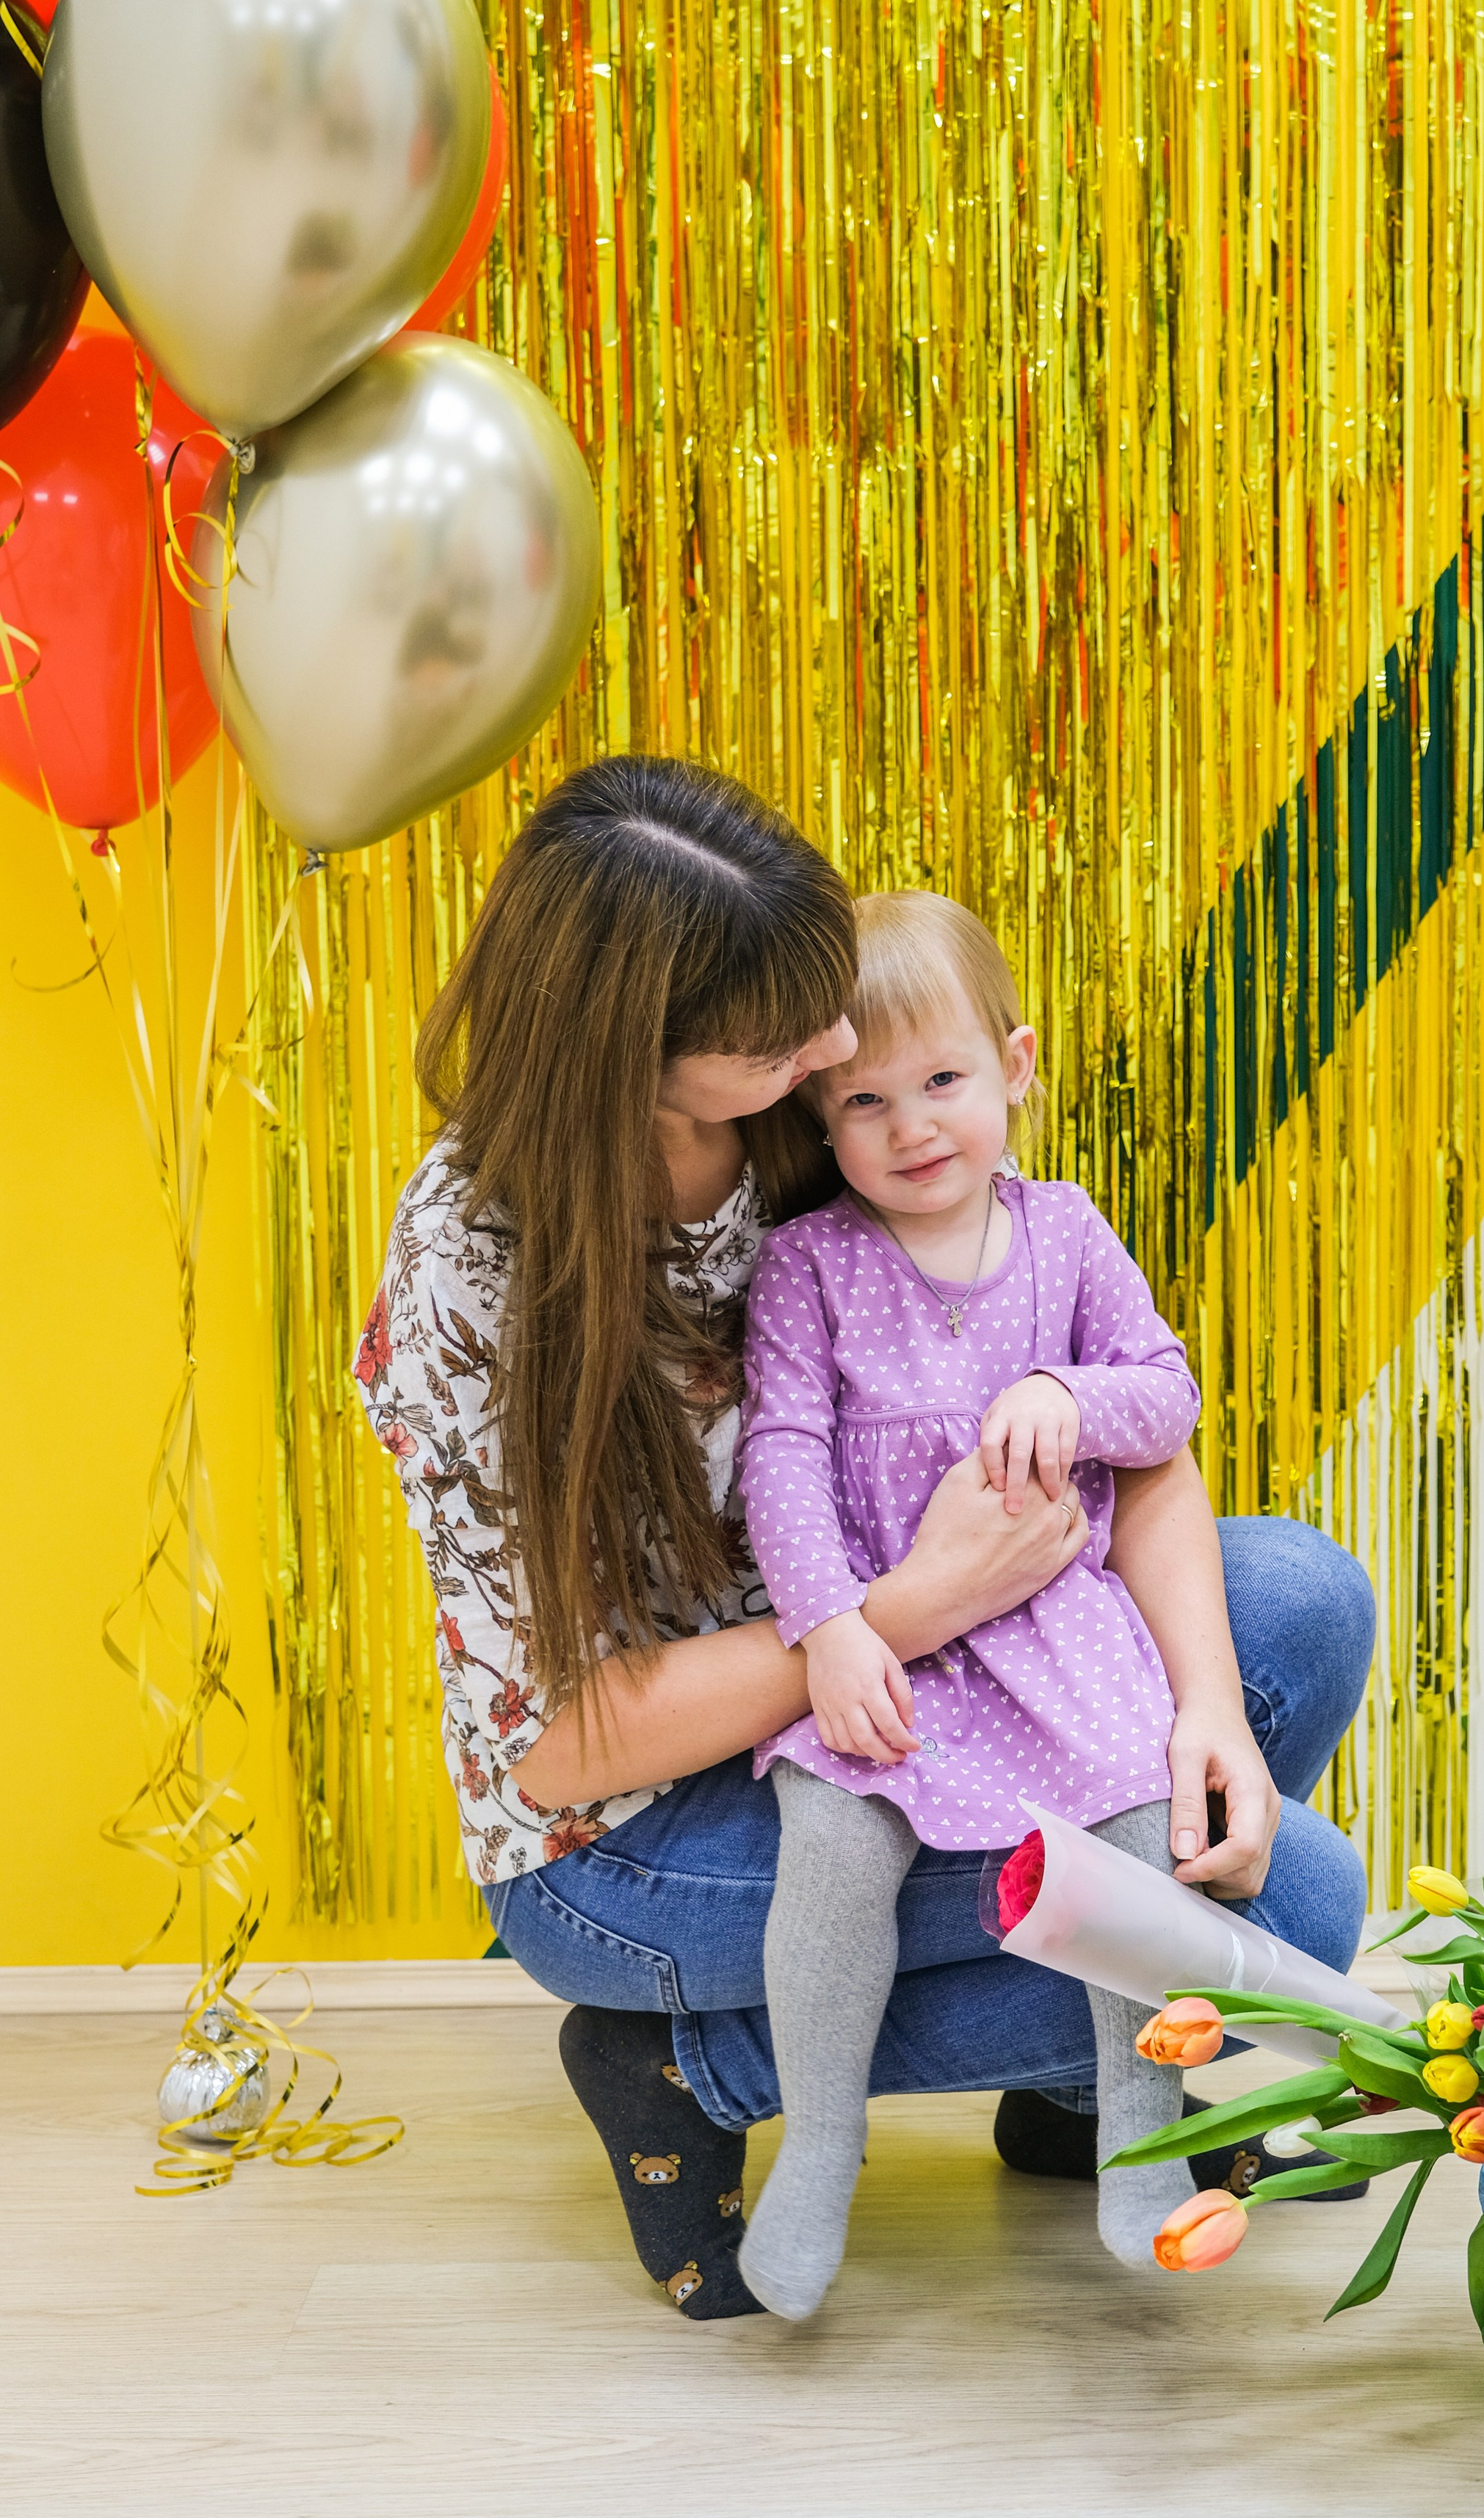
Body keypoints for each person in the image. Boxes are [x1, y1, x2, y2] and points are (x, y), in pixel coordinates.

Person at [355, 755, 1376, 2323]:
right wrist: (901, 1608)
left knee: (1297, 1606)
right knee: (1285, 1910)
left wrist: (1207, 1713)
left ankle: (1082, 2085)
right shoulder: (474, 1278)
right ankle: (693, 2063)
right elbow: (560, 1746)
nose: (843, 1054)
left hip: (951, 1653)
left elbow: (1143, 1436)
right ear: (641, 1058)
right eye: (794, 1043)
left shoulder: (825, 1124)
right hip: (642, 1820)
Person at [736, 891, 1237, 2315]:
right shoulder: (809, 1265)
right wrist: (830, 1627)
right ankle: (819, 2141)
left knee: (1137, 1845)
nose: (910, 1126)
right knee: (831, 1848)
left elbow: (1165, 1395)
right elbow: (779, 1455)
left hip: (1053, 1636)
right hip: (891, 1641)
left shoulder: (1064, 1234)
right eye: (865, 1101)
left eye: (943, 1080)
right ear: (822, 1116)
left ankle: (1140, 2141)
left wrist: (1067, 1391)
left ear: (1014, 1067)